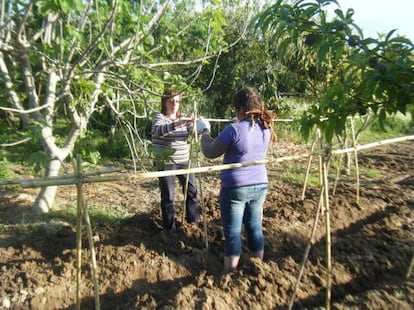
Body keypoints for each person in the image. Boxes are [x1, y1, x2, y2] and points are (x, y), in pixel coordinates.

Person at [197, 86, 274, 273]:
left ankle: (229, 273)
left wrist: (203, 133)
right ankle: (258, 267)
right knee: (255, 226)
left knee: (232, 233)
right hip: (260, 184)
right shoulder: (266, 127)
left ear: (240, 108)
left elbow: (209, 152)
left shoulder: (233, 130)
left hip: (235, 189)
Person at [151, 88, 200, 231]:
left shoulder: (184, 117)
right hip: (166, 163)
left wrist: (198, 126)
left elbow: (194, 134)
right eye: (171, 101)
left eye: (177, 101)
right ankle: (169, 228)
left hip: (185, 162)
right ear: (165, 102)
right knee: (168, 197)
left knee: (192, 192)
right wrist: (178, 123)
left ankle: (193, 223)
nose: (174, 104)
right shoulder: (159, 117)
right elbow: (159, 130)